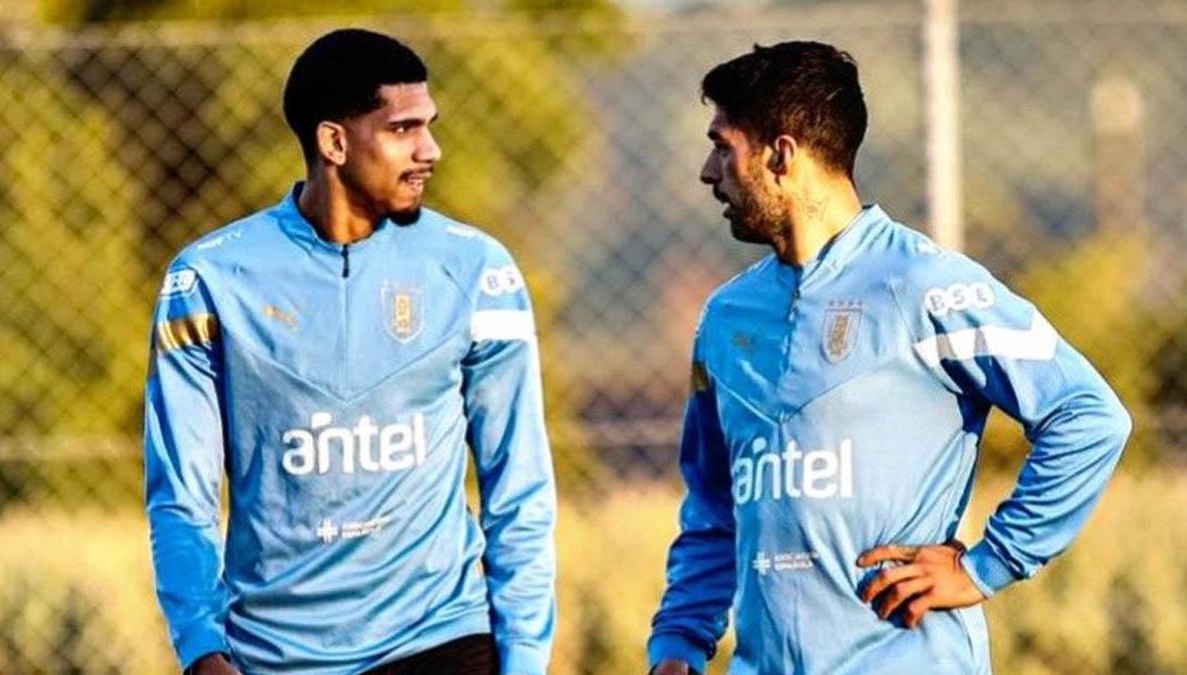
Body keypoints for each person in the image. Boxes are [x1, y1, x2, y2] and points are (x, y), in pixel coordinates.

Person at [647, 41, 1130, 675]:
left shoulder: (924, 285)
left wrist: (987, 564)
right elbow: (715, 505)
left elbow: (1089, 416)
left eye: (722, 145)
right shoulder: (726, 318)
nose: (710, 171)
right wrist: (679, 643)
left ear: (780, 155)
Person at [144, 29, 556, 675]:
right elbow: (181, 493)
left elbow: (519, 482)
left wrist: (526, 656)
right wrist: (202, 646)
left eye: (430, 125)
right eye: (403, 129)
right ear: (334, 141)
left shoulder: (477, 269)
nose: (430, 150)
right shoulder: (207, 281)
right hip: (273, 655)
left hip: (441, 638)